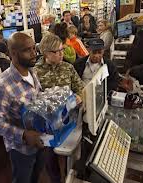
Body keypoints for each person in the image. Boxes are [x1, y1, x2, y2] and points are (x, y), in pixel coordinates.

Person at [0, 32, 45, 183]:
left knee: (36, 176)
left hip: (41, 139)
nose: (34, 54)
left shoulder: (32, 72)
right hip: (21, 149)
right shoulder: (2, 86)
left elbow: (37, 98)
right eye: (28, 50)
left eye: (34, 48)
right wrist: (24, 134)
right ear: (13, 53)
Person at [34, 33, 84, 183]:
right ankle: (56, 179)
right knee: (49, 154)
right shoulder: (36, 72)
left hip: (69, 119)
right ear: (46, 53)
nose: (62, 53)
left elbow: (79, 87)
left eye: (63, 49)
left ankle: (71, 174)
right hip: (47, 123)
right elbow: (33, 100)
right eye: (58, 51)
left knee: (72, 152)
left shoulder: (68, 68)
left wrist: (79, 96)